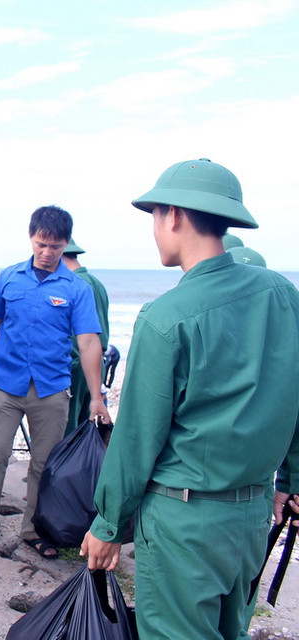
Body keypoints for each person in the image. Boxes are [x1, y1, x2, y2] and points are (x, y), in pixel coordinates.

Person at [79, 158, 299, 640]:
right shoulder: (284, 295)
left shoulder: (166, 316)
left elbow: (137, 438)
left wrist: (109, 523)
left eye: (155, 216)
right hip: (251, 514)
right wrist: (292, 479)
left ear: (173, 216)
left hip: (185, 520)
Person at [0, 206, 111, 559]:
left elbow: (89, 342)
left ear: (66, 246)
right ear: (31, 238)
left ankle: (33, 528)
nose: (47, 254)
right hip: (5, 384)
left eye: (56, 247)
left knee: (44, 464)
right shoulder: (10, 278)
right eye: (41, 244)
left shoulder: (76, 288)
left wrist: (97, 397)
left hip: (51, 389)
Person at [60, 238, 109, 436]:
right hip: (97, 362)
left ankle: (63, 467)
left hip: (78, 362)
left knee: (67, 429)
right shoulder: (96, 282)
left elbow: (76, 335)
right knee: (84, 428)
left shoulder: (73, 283)